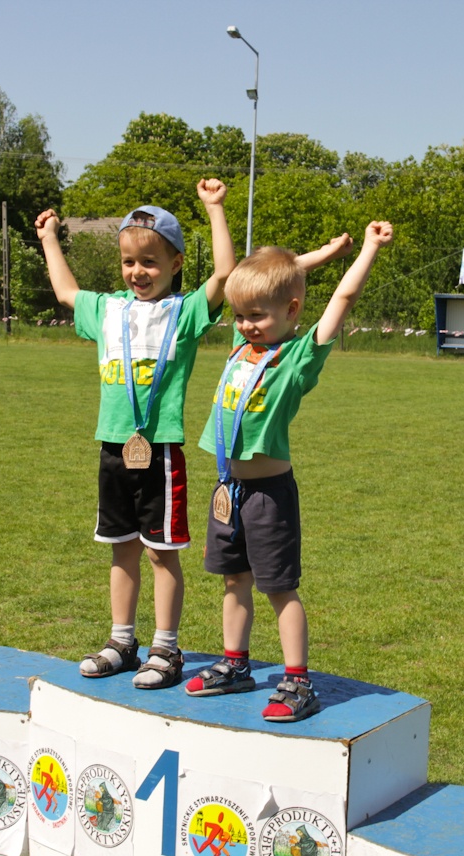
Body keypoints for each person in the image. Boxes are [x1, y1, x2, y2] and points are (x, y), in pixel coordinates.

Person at [185, 221, 393, 721]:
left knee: (278, 587)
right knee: (233, 581)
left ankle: (297, 681)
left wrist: (366, 248)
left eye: (256, 316)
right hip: (228, 489)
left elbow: (341, 299)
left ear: (292, 311)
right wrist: (319, 254)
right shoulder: (244, 346)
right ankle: (235, 665)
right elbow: (275, 276)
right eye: (239, 315)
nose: (245, 324)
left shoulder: (297, 357)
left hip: (268, 496)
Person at [35, 179, 235, 690]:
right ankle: (122, 643)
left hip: (160, 451)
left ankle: (165, 650)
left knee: (159, 552)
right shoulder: (108, 309)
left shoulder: (185, 311)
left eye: (149, 262)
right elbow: (66, 292)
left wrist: (214, 209)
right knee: (120, 547)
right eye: (128, 262)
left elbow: (225, 274)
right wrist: (50, 238)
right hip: (113, 448)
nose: (137, 272)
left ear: (175, 264)